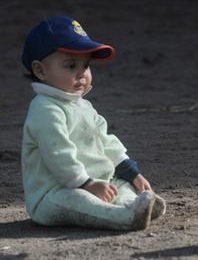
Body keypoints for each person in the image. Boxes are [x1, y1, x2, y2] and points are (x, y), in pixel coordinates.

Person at [21, 16, 166, 231]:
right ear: (41, 70)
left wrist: (131, 172)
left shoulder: (82, 105)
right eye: (71, 66)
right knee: (78, 199)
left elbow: (105, 141)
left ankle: (132, 205)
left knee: (121, 185)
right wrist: (86, 183)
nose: (82, 74)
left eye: (86, 65)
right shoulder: (45, 108)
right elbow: (58, 154)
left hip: (96, 183)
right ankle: (125, 217)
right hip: (54, 194)